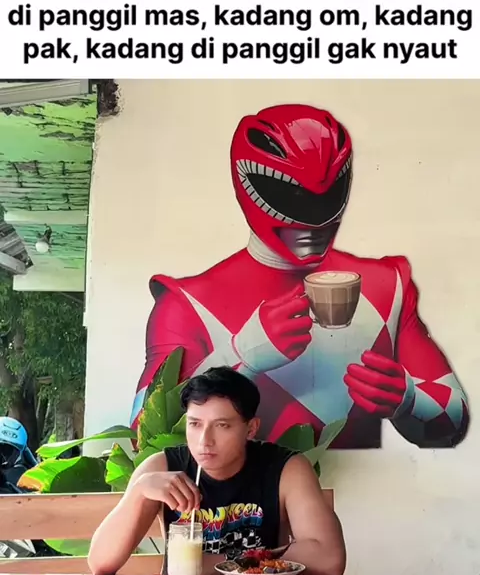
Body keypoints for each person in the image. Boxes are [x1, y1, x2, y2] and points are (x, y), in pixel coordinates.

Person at [131, 104, 469, 450]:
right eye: (289, 196)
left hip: (353, 485)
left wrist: (409, 399)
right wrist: (241, 356)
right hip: (249, 487)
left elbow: (452, 422)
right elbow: (145, 438)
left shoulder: (388, 286)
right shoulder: (187, 305)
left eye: (327, 197)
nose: (313, 222)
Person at [88, 366, 346, 575]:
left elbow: (329, 559)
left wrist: (218, 563)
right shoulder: (162, 467)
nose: (204, 440)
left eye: (222, 425)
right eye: (195, 424)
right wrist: (138, 493)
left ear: (251, 429)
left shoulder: (286, 469)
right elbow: (100, 563)